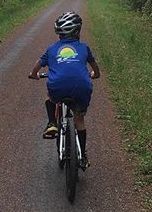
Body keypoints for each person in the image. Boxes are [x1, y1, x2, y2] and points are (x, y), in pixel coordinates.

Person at [28, 11, 100, 169]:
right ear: (78, 31)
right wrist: (95, 74)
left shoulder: (52, 49)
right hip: (82, 87)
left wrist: (34, 75)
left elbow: (36, 67)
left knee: (50, 97)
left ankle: (52, 123)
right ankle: (82, 156)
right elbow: (95, 68)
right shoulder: (84, 48)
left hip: (58, 87)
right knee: (79, 119)